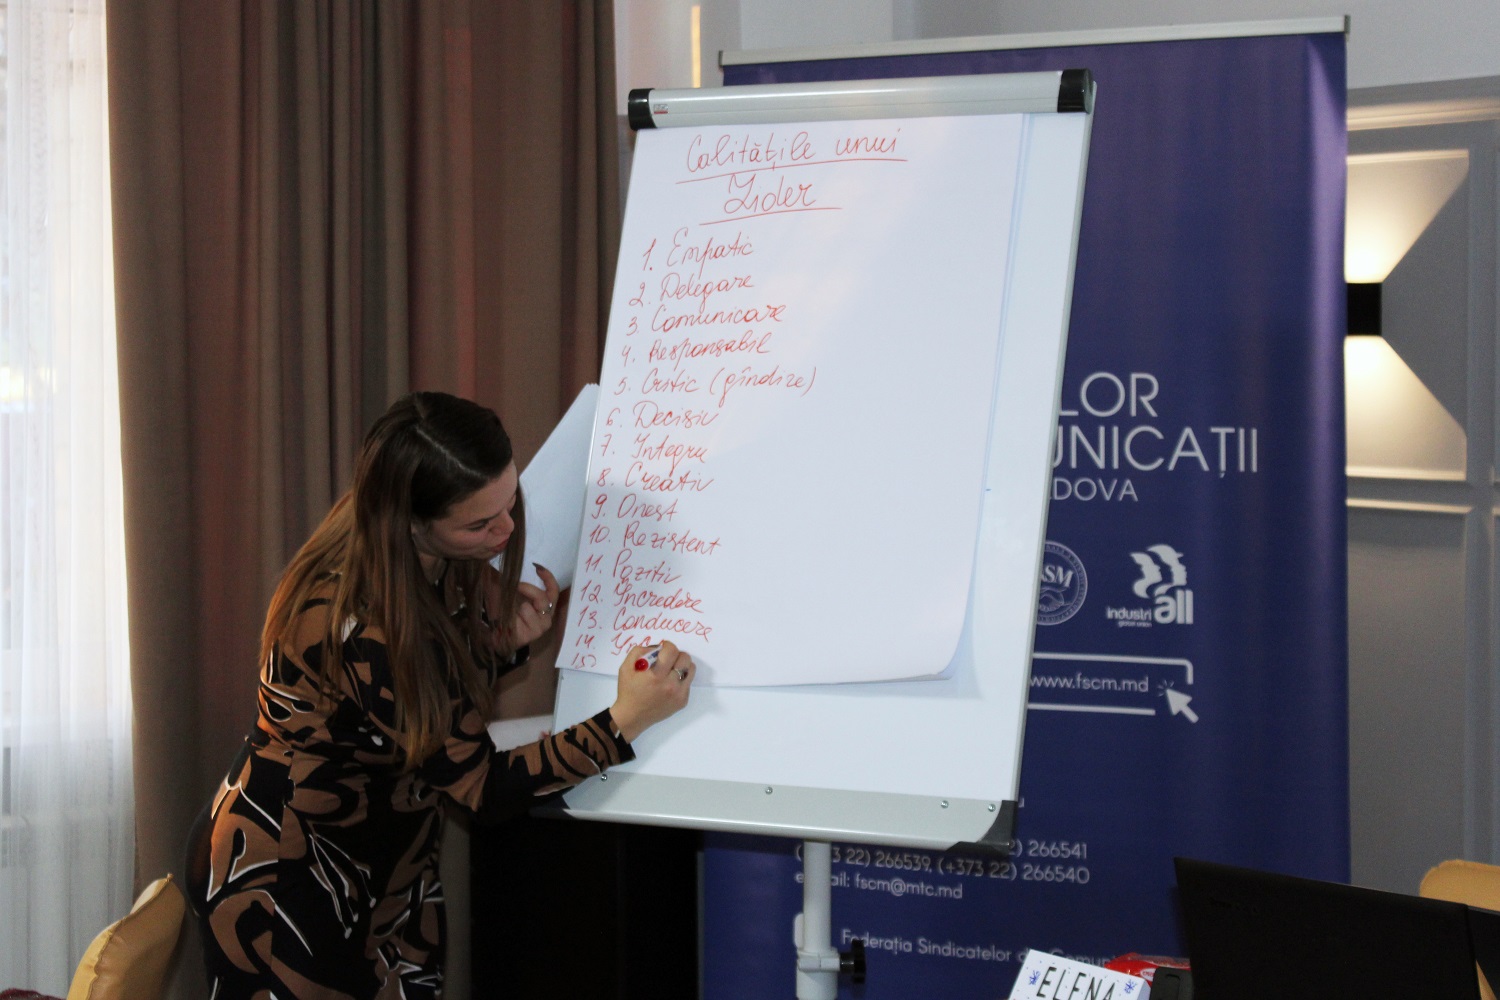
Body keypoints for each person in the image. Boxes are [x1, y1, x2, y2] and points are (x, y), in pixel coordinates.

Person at [185, 391, 694, 999]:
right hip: (292, 874)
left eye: (511, 502)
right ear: (410, 520)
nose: (506, 531)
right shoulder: (361, 621)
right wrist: (622, 722)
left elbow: (414, 710)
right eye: (479, 524)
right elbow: (481, 788)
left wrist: (498, 646)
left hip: (378, 862)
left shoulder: (413, 556)